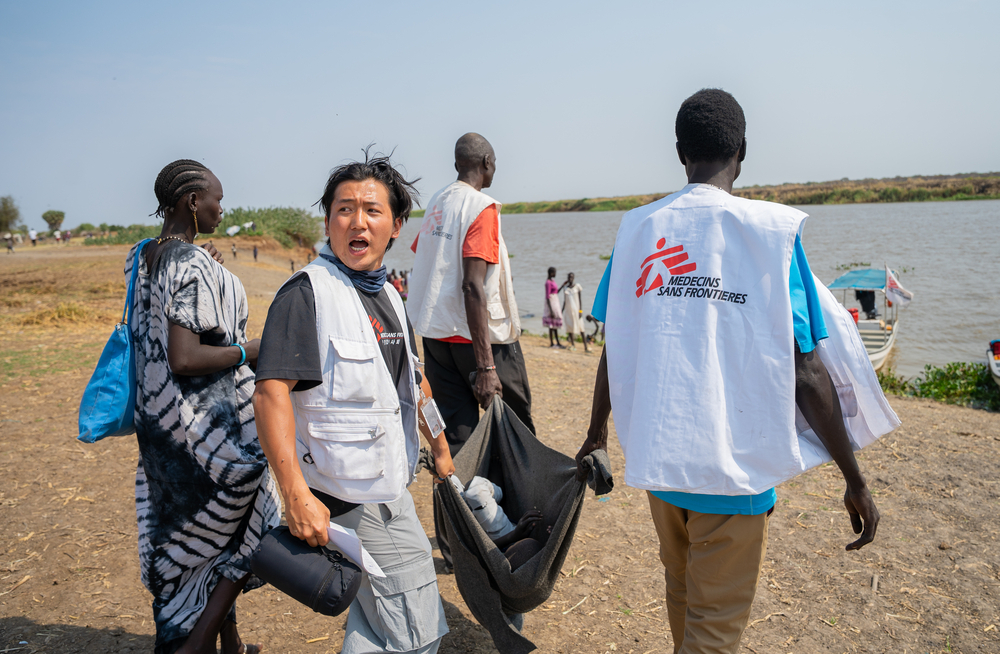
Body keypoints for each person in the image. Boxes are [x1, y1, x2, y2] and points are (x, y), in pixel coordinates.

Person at [575, 89, 881, 654]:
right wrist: (854, 477)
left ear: (678, 151)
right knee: (713, 634)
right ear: (743, 149)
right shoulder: (771, 235)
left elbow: (614, 345)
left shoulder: (638, 230)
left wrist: (595, 436)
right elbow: (807, 373)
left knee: (683, 594)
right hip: (732, 475)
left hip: (662, 466)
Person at [252, 153, 452, 654]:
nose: (356, 222)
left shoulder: (388, 293)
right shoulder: (306, 294)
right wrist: (294, 494)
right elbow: (270, 392)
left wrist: (442, 449)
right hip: (348, 501)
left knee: (373, 626)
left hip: (390, 484)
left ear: (397, 227)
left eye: (371, 210)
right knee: (415, 634)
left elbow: (414, 379)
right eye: (344, 209)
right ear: (328, 221)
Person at [129, 159, 280, 654]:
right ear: (192, 202)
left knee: (184, 538)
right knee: (256, 513)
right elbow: (186, 356)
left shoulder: (142, 256)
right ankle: (197, 642)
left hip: (157, 426)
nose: (222, 206)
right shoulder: (189, 265)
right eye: (216, 198)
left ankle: (225, 642)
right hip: (202, 430)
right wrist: (248, 351)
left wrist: (201, 260)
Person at [407, 132, 535, 572]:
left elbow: (429, 261)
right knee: (516, 434)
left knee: (458, 443)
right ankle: (518, 525)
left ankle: (462, 538)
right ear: (484, 162)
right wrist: (484, 365)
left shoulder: (438, 204)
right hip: (482, 343)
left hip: (437, 339)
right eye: (494, 161)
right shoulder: (482, 206)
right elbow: (470, 284)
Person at [560, 272, 588, 352]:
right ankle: (572, 344)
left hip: (577, 311)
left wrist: (580, 310)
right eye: (569, 277)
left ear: (574, 278)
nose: (570, 279)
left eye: (572, 277)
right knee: (570, 328)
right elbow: (564, 301)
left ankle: (585, 347)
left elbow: (580, 299)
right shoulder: (565, 288)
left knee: (581, 328)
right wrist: (561, 311)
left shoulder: (577, 287)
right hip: (568, 311)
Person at [542, 267, 563, 348]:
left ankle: (557, 342)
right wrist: (551, 310)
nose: (555, 274)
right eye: (554, 272)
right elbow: (547, 297)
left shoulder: (552, 281)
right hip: (551, 303)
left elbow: (556, 292)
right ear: (551, 273)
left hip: (555, 301)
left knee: (555, 324)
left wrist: (562, 285)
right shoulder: (548, 283)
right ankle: (552, 342)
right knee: (551, 324)